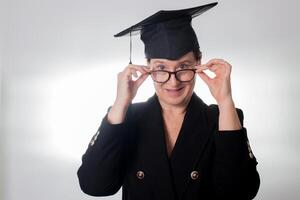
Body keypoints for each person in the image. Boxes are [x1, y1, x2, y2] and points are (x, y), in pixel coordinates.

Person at [77, 2, 260, 200]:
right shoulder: (126, 118)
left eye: (183, 66)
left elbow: (240, 192)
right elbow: (95, 185)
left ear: (198, 63)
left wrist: (225, 101)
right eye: (161, 68)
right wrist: (121, 103)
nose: (173, 81)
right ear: (147, 67)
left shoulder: (222, 118)